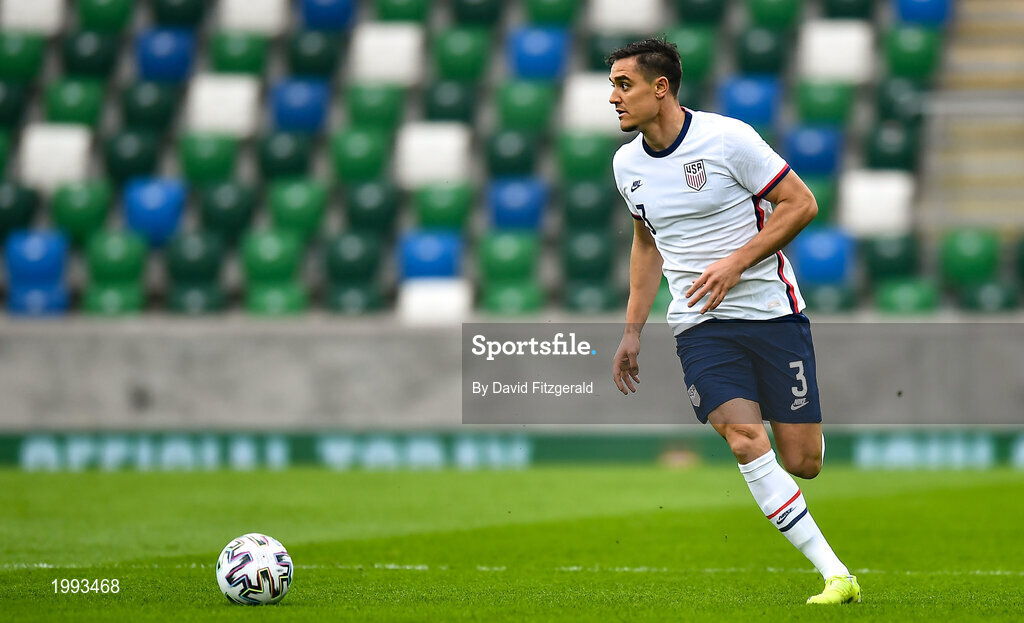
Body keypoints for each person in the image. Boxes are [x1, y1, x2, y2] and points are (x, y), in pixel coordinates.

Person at [607, 38, 860, 606]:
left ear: (660, 88)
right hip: (699, 323)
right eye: (612, 87)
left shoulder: (728, 139)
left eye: (624, 85)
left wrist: (735, 262)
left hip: (771, 313)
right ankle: (836, 575)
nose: (614, 98)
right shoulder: (626, 165)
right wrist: (632, 329)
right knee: (746, 439)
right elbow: (646, 244)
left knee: (803, 461)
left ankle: (800, 437)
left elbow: (801, 203)